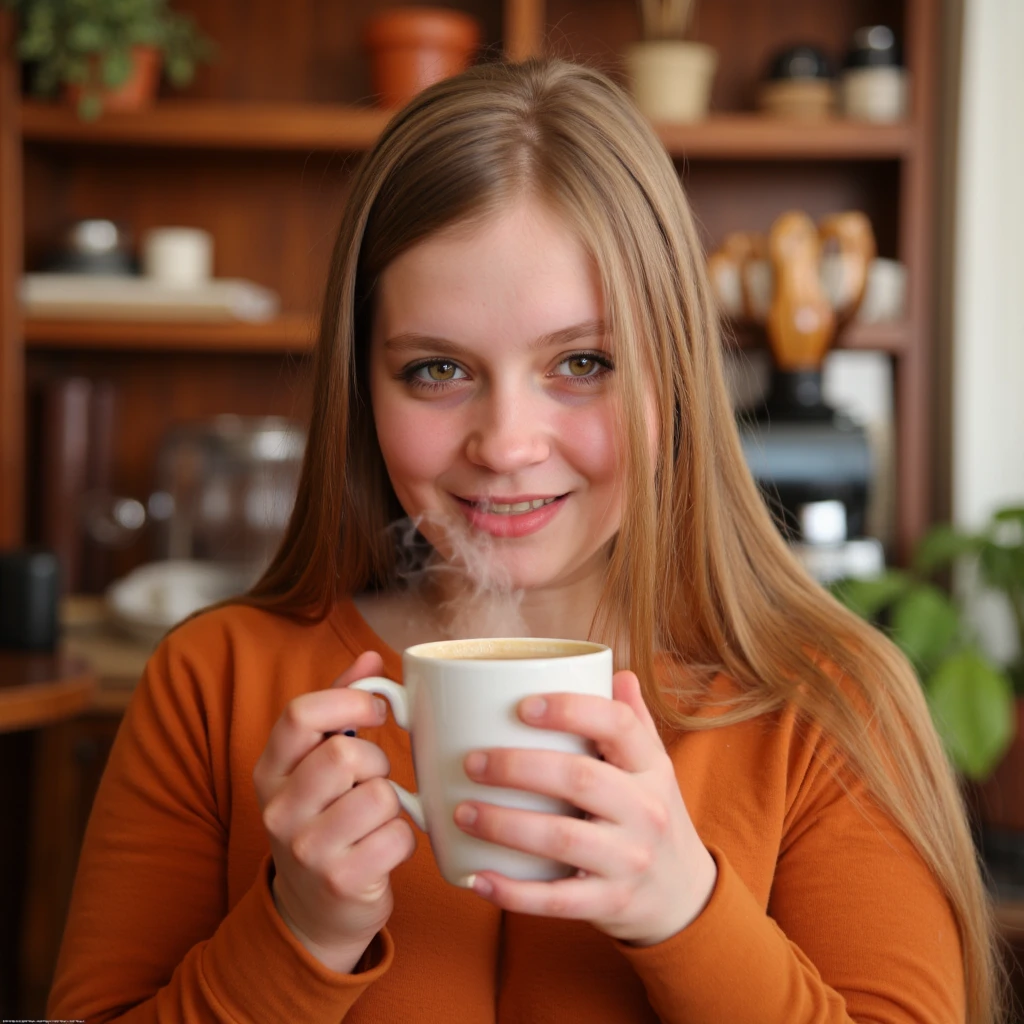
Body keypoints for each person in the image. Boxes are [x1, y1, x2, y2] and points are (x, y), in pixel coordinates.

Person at [49, 58, 1004, 1023]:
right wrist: (295, 933)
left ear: (672, 374)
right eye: (435, 370)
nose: (506, 445)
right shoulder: (212, 685)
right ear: (361, 389)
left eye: (582, 362)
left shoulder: (830, 706)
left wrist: (686, 912)